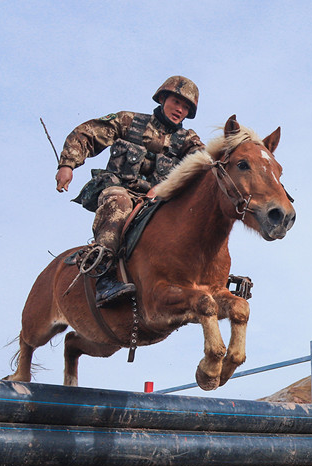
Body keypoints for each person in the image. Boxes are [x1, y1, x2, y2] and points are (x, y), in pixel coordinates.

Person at [54, 76, 206, 306]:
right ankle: (104, 277)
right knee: (120, 202)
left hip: (157, 202)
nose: (180, 110)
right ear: (163, 98)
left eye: (186, 107)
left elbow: (204, 165)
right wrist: (67, 164)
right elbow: (87, 133)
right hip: (119, 191)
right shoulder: (129, 121)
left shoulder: (187, 140)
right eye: (176, 102)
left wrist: (165, 188)